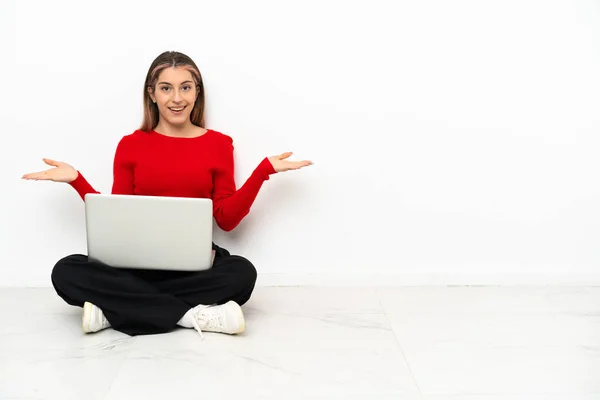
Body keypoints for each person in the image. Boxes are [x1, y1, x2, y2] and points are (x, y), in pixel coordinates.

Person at [22, 51, 312, 338]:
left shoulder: (219, 144)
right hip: (137, 263)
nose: (177, 98)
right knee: (66, 271)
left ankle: (113, 311)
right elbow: (117, 213)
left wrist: (262, 172)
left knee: (242, 273)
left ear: (197, 93)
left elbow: (227, 220)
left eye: (186, 87)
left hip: (194, 264)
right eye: (166, 88)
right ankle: (192, 316)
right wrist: (77, 180)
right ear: (152, 93)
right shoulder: (131, 145)